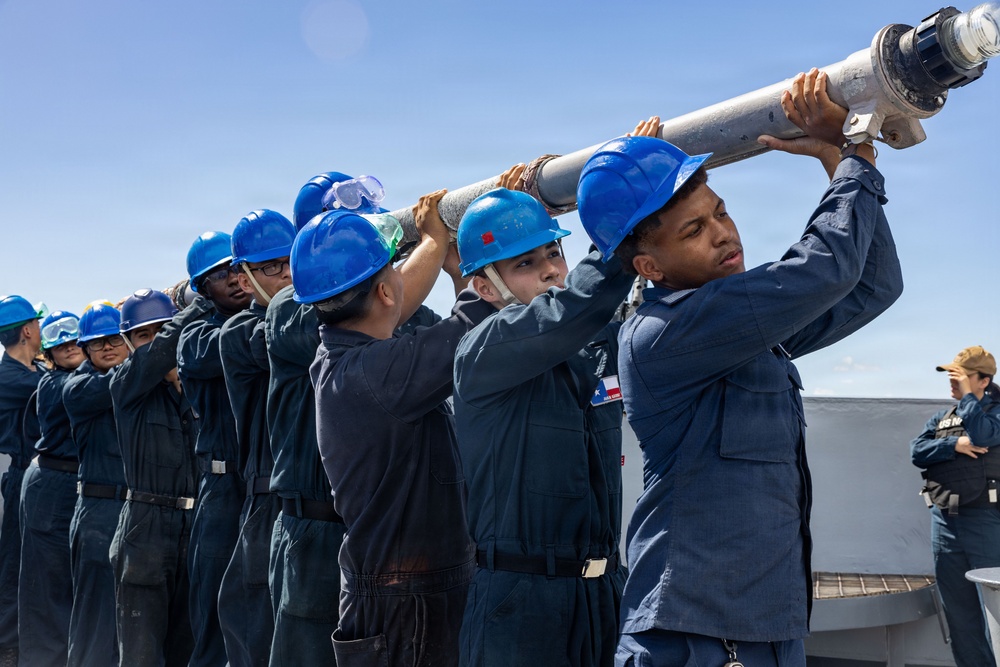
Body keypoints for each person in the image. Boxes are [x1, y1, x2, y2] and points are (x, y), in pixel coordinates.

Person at [574, 70, 903, 666]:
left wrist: (837, 165)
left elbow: (871, 285)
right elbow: (825, 269)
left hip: (769, 625)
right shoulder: (668, 333)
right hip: (691, 633)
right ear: (648, 266)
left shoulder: (741, 332)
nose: (725, 234)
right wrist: (852, 150)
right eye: (695, 230)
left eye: (720, 212)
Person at [453, 160, 641, 664]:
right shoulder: (480, 352)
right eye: (525, 263)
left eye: (554, 251)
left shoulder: (596, 343)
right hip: (520, 606)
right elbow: (571, 308)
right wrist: (628, 208)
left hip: (604, 595)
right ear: (486, 288)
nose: (552, 269)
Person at [303, 189, 491, 665]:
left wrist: (438, 254)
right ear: (385, 292)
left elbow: (395, 317)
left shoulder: (342, 360)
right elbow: (469, 332)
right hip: (409, 603)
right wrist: (459, 258)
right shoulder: (376, 373)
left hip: (401, 593)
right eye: (394, 268)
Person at [263, 171, 371, 665]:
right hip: (312, 529)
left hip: (371, 529)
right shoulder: (291, 306)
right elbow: (358, 323)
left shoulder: (389, 296)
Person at [109, 288, 214, 666]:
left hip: (196, 527)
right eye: (143, 334)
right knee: (141, 655)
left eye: (162, 329)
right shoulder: (126, 384)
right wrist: (201, 296)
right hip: (145, 530)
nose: (155, 341)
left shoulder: (196, 389)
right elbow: (161, 354)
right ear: (129, 343)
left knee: (188, 649)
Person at [217, 209, 296, 667]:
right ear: (244, 280)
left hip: (323, 503)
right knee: (259, 638)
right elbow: (293, 332)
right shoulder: (240, 333)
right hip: (267, 504)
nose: (286, 273)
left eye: (290, 261)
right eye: (271, 267)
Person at [178, 231, 252, 667]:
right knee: (214, 622)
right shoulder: (196, 337)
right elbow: (236, 347)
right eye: (221, 274)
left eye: (239, 268)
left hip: (262, 487)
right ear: (203, 287)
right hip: (223, 490)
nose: (235, 279)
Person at [910, 345, 1000, 667]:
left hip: (986, 521)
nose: (953, 380)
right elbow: (917, 451)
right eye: (952, 374)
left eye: (961, 375)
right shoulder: (942, 418)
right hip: (945, 522)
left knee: (996, 617)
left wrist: (968, 401)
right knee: (960, 617)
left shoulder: (995, 412)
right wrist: (954, 444)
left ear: (984, 380)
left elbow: (985, 435)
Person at [63, 302, 131, 667]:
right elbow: (123, 383)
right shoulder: (79, 388)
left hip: (133, 509)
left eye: (114, 338)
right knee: (95, 622)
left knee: (127, 624)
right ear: (85, 348)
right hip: (98, 513)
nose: (107, 347)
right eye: (97, 342)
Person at [18, 310, 85, 666]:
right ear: (51, 353)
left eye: (77, 340)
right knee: (48, 589)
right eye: (63, 344)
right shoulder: (58, 384)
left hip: (75, 485)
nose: (71, 347)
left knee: (72, 586)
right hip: (54, 485)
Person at [0, 296, 45, 667]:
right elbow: (51, 390)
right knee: (14, 563)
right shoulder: (11, 379)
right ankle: (8, 647)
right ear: (29, 330)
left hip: (35, 477)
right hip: (18, 478)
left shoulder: (31, 373)